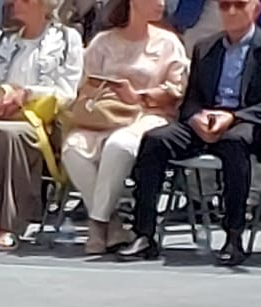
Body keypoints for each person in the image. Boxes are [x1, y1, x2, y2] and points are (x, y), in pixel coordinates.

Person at [121, 0, 261, 263]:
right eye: (225, 6)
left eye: (239, 5)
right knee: (154, 141)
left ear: (256, 9)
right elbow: (191, 99)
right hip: (206, 121)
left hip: (248, 125)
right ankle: (144, 234)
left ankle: (233, 237)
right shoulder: (206, 47)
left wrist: (233, 116)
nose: (232, 12)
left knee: (234, 144)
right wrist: (196, 117)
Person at [0, 0, 84, 250]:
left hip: (44, 123)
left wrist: (27, 94)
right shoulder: (5, 41)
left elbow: (68, 91)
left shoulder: (67, 39)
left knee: (3, 135)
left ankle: (4, 224)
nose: (15, 4)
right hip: (1, 120)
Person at [58, 0, 188, 254]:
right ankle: (113, 222)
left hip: (148, 114)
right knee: (72, 149)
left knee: (120, 144)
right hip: (106, 115)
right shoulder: (104, 42)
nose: (161, 3)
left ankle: (97, 224)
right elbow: (84, 83)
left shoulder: (168, 43)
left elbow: (177, 89)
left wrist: (139, 95)